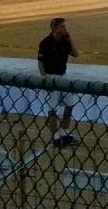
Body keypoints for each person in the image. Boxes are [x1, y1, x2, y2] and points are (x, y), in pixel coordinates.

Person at [38, 18, 80, 147]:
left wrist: (70, 37)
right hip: (51, 77)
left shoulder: (65, 41)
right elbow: (40, 63)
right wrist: (45, 79)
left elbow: (76, 53)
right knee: (52, 109)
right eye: (62, 27)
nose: (65, 29)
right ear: (55, 28)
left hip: (63, 76)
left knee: (70, 104)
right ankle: (55, 137)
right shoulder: (46, 42)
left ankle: (64, 132)